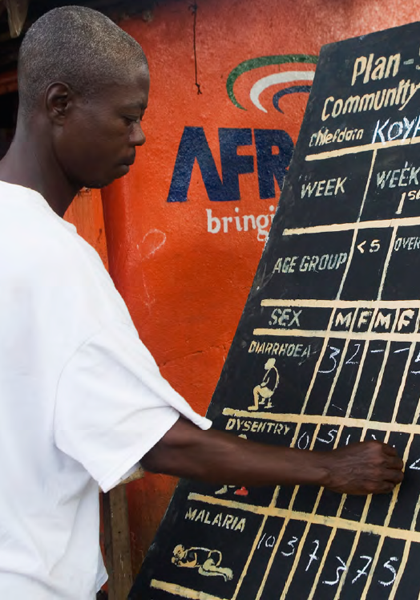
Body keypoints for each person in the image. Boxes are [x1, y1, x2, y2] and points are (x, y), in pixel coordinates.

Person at [0, 6, 403, 599]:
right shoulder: (56, 261)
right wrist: (331, 468)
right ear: (59, 105)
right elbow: (162, 442)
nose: (139, 136)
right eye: (127, 117)